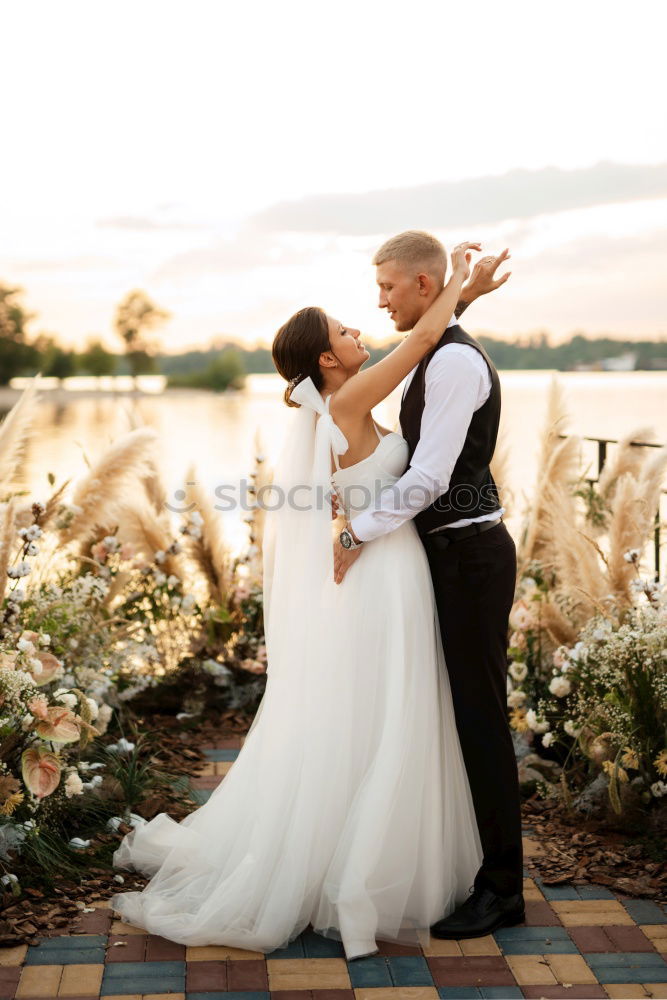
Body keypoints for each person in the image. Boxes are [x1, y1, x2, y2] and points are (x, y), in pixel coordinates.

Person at [109, 240, 505, 960]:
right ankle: (367, 866)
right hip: (385, 570)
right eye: (346, 333)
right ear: (327, 361)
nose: (361, 330)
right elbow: (421, 338)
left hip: (390, 564)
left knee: (386, 711)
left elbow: (424, 342)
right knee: (394, 709)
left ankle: (365, 853)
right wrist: (459, 283)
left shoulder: (340, 402)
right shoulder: (352, 398)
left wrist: (461, 299)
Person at [334, 230, 523, 939]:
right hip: (450, 556)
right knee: (461, 714)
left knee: (481, 719)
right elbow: (433, 329)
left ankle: (503, 888)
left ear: (420, 285)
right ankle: (476, 865)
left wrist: (358, 532)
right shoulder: (437, 349)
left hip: (470, 557)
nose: (378, 300)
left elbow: (430, 478)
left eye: (387, 287)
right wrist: (464, 291)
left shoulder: (451, 366)